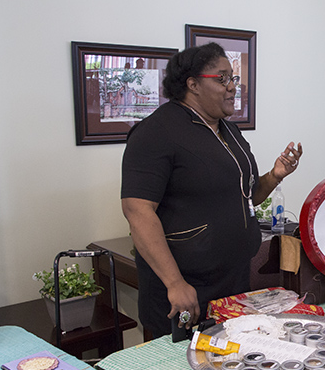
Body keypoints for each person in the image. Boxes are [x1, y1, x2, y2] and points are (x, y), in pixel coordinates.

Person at [121, 43, 302, 338]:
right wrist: (175, 283)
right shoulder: (156, 133)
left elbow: (248, 196)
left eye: (234, 79)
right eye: (222, 79)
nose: (232, 87)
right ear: (192, 84)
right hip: (186, 288)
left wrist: (275, 175)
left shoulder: (228, 130)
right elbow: (137, 210)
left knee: (229, 367)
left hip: (232, 282)